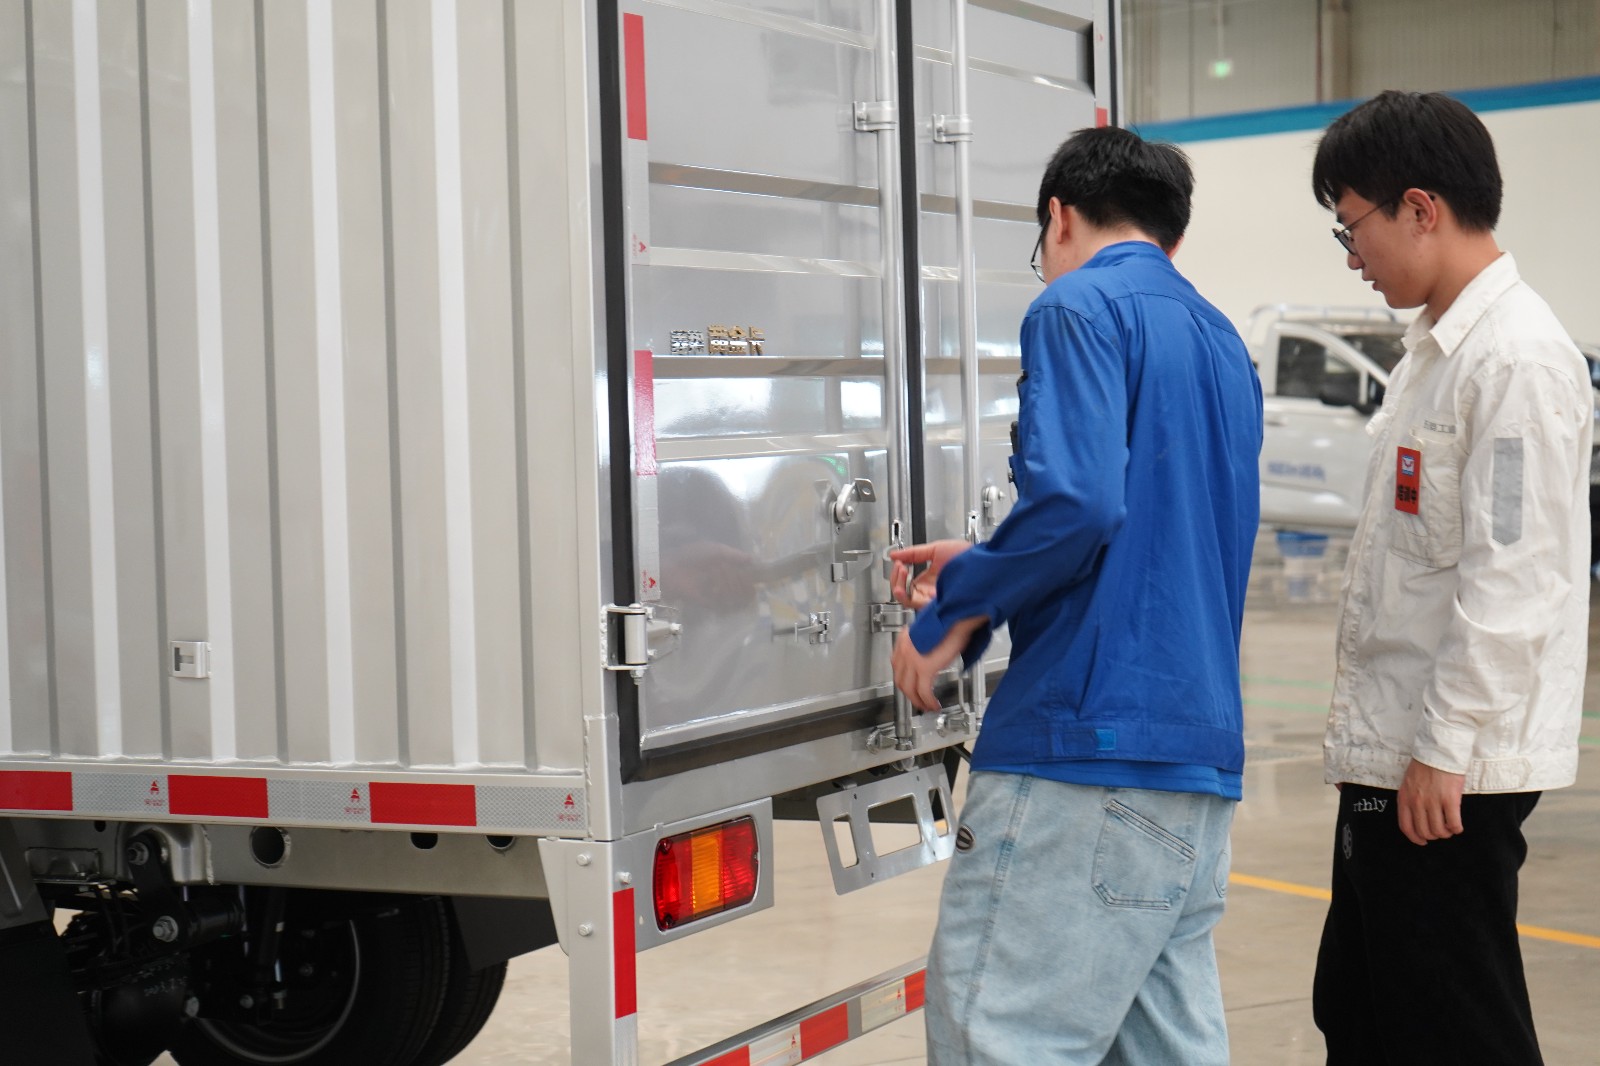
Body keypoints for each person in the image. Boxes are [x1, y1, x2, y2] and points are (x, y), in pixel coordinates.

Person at [888, 126, 1263, 1065]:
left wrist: (957, 608)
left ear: (1059, 217)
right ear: (1171, 233)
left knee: (999, 1041)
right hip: (1196, 768)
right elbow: (1154, 533)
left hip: (1085, 758)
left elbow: (1081, 503)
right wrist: (993, 557)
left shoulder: (1076, 305)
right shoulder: (1222, 341)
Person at [1307, 91, 1590, 1065]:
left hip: (1443, 770)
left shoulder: (1514, 361)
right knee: (1361, 1008)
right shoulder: (1435, 354)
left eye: (1352, 227)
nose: (1351, 255)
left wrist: (1443, 745)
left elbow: (1516, 577)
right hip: (1397, 751)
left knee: (1452, 1027)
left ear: (1420, 209)